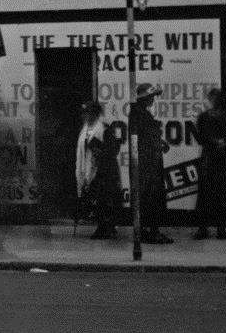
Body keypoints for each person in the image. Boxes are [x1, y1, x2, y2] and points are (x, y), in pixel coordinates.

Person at [128, 83, 172, 244]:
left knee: (150, 197)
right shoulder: (138, 113)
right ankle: (151, 231)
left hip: (150, 161)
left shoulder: (141, 113)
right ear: (145, 98)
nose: (153, 99)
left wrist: (160, 142)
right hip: (148, 164)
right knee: (151, 197)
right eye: (151, 96)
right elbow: (142, 137)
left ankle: (148, 230)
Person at [194, 88, 226, 240]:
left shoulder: (206, 117)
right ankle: (218, 228)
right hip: (218, 157)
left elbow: (201, 137)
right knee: (217, 194)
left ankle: (206, 228)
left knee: (208, 194)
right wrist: (222, 142)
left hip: (211, 157)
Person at [74, 101, 122, 239]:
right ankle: (105, 226)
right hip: (90, 170)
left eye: (87, 113)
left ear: (95, 114)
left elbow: (113, 149)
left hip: (104, 170)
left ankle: (106, 228)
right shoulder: (85, 130)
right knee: (98, 199)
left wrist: (100, 150)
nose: (85, 116)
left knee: (105, 199)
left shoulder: (104, 129)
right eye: (84, 113)